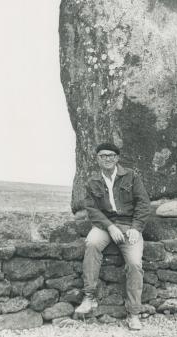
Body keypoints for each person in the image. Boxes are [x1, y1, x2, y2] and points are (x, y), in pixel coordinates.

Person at [75, 142, 151, 331]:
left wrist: (136, 227)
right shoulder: (92, 182)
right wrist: (110, 227)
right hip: (104, 225)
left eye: (110, 155)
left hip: (129, 225)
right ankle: (89, 296)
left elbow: (143, 203)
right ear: (97, 158)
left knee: (134, 263)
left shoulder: (132, 176)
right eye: (103, 156)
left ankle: (133, 313)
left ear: (117, 158)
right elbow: (92, 209)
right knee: (92, 243)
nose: (107, 158)